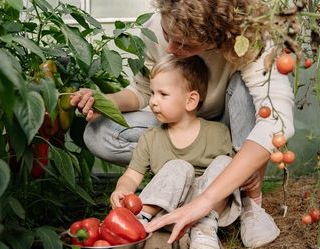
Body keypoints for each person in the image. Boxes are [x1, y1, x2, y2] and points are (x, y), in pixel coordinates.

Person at [70, 0, 294, 247]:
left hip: (230, 134)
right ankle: (180, 182)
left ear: (218, 37)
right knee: (100, 132)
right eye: (168, 35)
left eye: (186, 45)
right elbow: (142, 90)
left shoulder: (252, 38)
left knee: (246, 92)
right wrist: (104, 101)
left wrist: (205, 201)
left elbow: (276, 120)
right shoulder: (161, 25)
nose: (171, 49)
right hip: (180, 124)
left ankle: (247, 197)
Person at [110, 54, 240, 249]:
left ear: (190, 100)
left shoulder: (217, 133)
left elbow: (233, 180)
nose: (153, 101)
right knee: (179, 167)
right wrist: (122, 189)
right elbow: (131, 176)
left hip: (206, 207)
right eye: (152, 93)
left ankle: (204, 228)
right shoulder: (150, 137)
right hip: (166, 207)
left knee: (227, 164)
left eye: (163, 94)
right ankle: (142, 221)